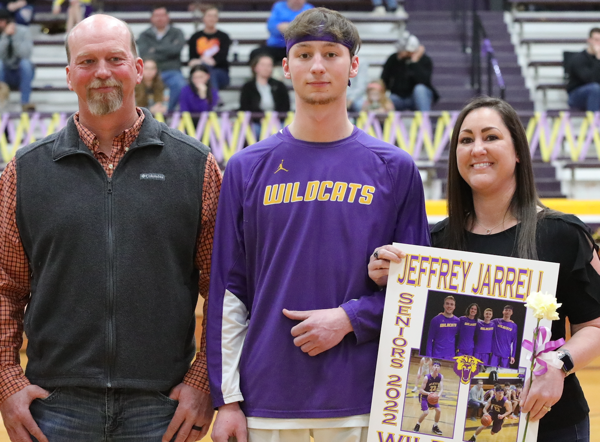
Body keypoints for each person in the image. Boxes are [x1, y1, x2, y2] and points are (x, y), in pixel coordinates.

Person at [207, 7, 430, 442]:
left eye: (331, 54)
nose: (318, 66)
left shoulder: (395, 168)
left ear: (354, 66)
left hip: (364, 401)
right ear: (286, 67)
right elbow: (229, 291)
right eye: (305, 54)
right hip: (266, 399)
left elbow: (417, 291)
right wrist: (227, 399)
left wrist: (350, 318)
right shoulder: (245, 167)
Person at [0, 14, 221, 442]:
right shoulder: (24, 172)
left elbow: (223, 287)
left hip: (162, 406)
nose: (102, 72)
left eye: (115, 58)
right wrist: (7, 381)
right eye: (87, 61)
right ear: (68, 76)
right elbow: (4, 285)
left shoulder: (195, 165)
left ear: (138, 68)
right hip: (53, 405)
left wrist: (202, 381)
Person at [369, 96, 600, 441]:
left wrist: (559, 364)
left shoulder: (562, 233)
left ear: (518, 151)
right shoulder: (431, 244)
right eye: (466, 140)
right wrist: (388, 278)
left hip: (549, 426)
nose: (477, 148)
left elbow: (595, 325)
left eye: (490, 137)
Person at [137, 6, 187, 112]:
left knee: (180, 84)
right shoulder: (144, 35)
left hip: (171, 71)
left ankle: (168, 112)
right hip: (149, 72)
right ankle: (144, 114)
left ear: (168, 17)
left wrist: (154, 50)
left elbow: (176, 50)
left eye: (162, 15)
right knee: (133, 85)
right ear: (152, 18)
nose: (160, 18)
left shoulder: (177, 32)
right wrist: (168, 49)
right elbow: (144, 53)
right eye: (157, 15)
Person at [381, 31, 438, 111]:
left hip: (415, 98)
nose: (399, 52)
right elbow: (384, 78)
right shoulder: (393, 59)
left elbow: (424, 81)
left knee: (420, 89)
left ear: (410, 51)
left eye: (402, 50)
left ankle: (425, 120)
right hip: (398, 97)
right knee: (388, 100)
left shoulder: (425, 60)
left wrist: (414, 62)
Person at [188, 5, 231, 90]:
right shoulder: (195, 37)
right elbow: (192, 59)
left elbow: (221, 59)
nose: (211, 18)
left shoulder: (224, 37)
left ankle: (212, 99)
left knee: (209, 73)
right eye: (209, 15)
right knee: (202, 73)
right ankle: (214, 99)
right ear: (203, 18)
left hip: (220, 73)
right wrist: (204, 60)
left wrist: (203, 61)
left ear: (217, 19)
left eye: (214, 16)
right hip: (199, 72)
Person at [0, 8, 33, 111]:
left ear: (3, 22)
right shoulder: (2, 33)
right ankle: (1, 101)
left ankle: (25, 103)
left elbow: (26, 54)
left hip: (20, 72)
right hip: (4, 72)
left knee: (26, 64)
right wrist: (5, 37)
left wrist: (13, 39)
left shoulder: (24, 31)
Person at [567, 27, 600, 112]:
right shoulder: (579, 59)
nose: (598, 43)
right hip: (576, 95)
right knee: (595, 89)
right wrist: (598, 59)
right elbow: (590, 79)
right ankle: (594, 123)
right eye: (596, 40)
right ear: (589, 40)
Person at [414, 360, 444, 436]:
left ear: (440, 368)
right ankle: (417, 424)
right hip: (425, 396)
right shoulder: (427, 377)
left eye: (438, 366)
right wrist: (428, 393)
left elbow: (441, 389)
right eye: (435, 366)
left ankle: (435, 426)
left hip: (433, 397)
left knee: (439, 410)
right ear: (432, 367)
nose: (436, 368)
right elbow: (420, 390)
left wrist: (438, 395)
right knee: (426, 412)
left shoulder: (440, 377)